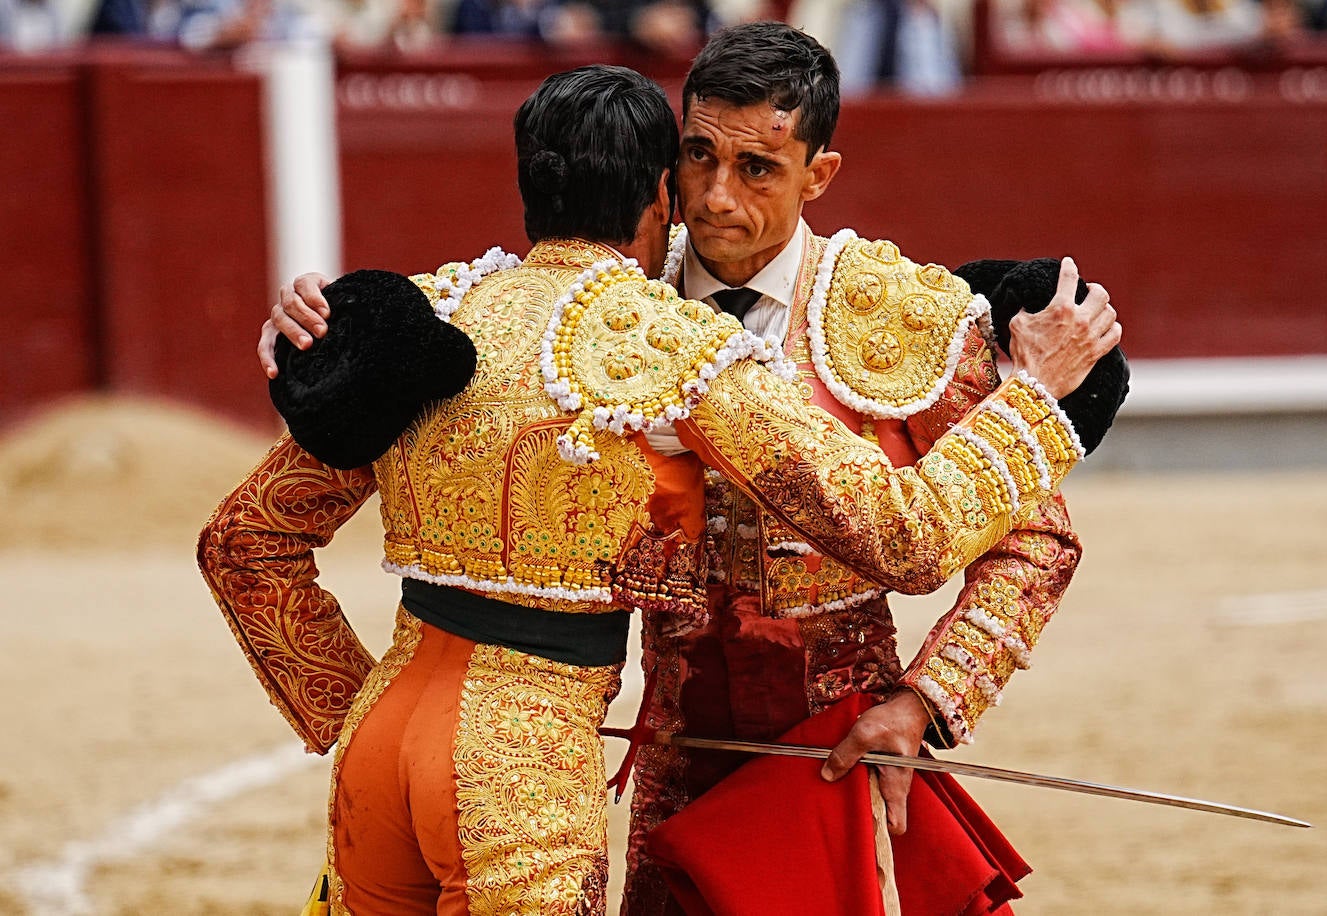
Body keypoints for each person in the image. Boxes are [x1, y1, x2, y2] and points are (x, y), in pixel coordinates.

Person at [213, 64, 1117, 915]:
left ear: (819, 173)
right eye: (699, 160)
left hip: (829, 745)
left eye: (757, 166)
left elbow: (242, 540)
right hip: (587, 750)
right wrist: (1037, 401)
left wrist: (927, 700)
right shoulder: (668, 340)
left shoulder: (437, 318)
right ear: (661, 185)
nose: (720, 196)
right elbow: (912, 537)